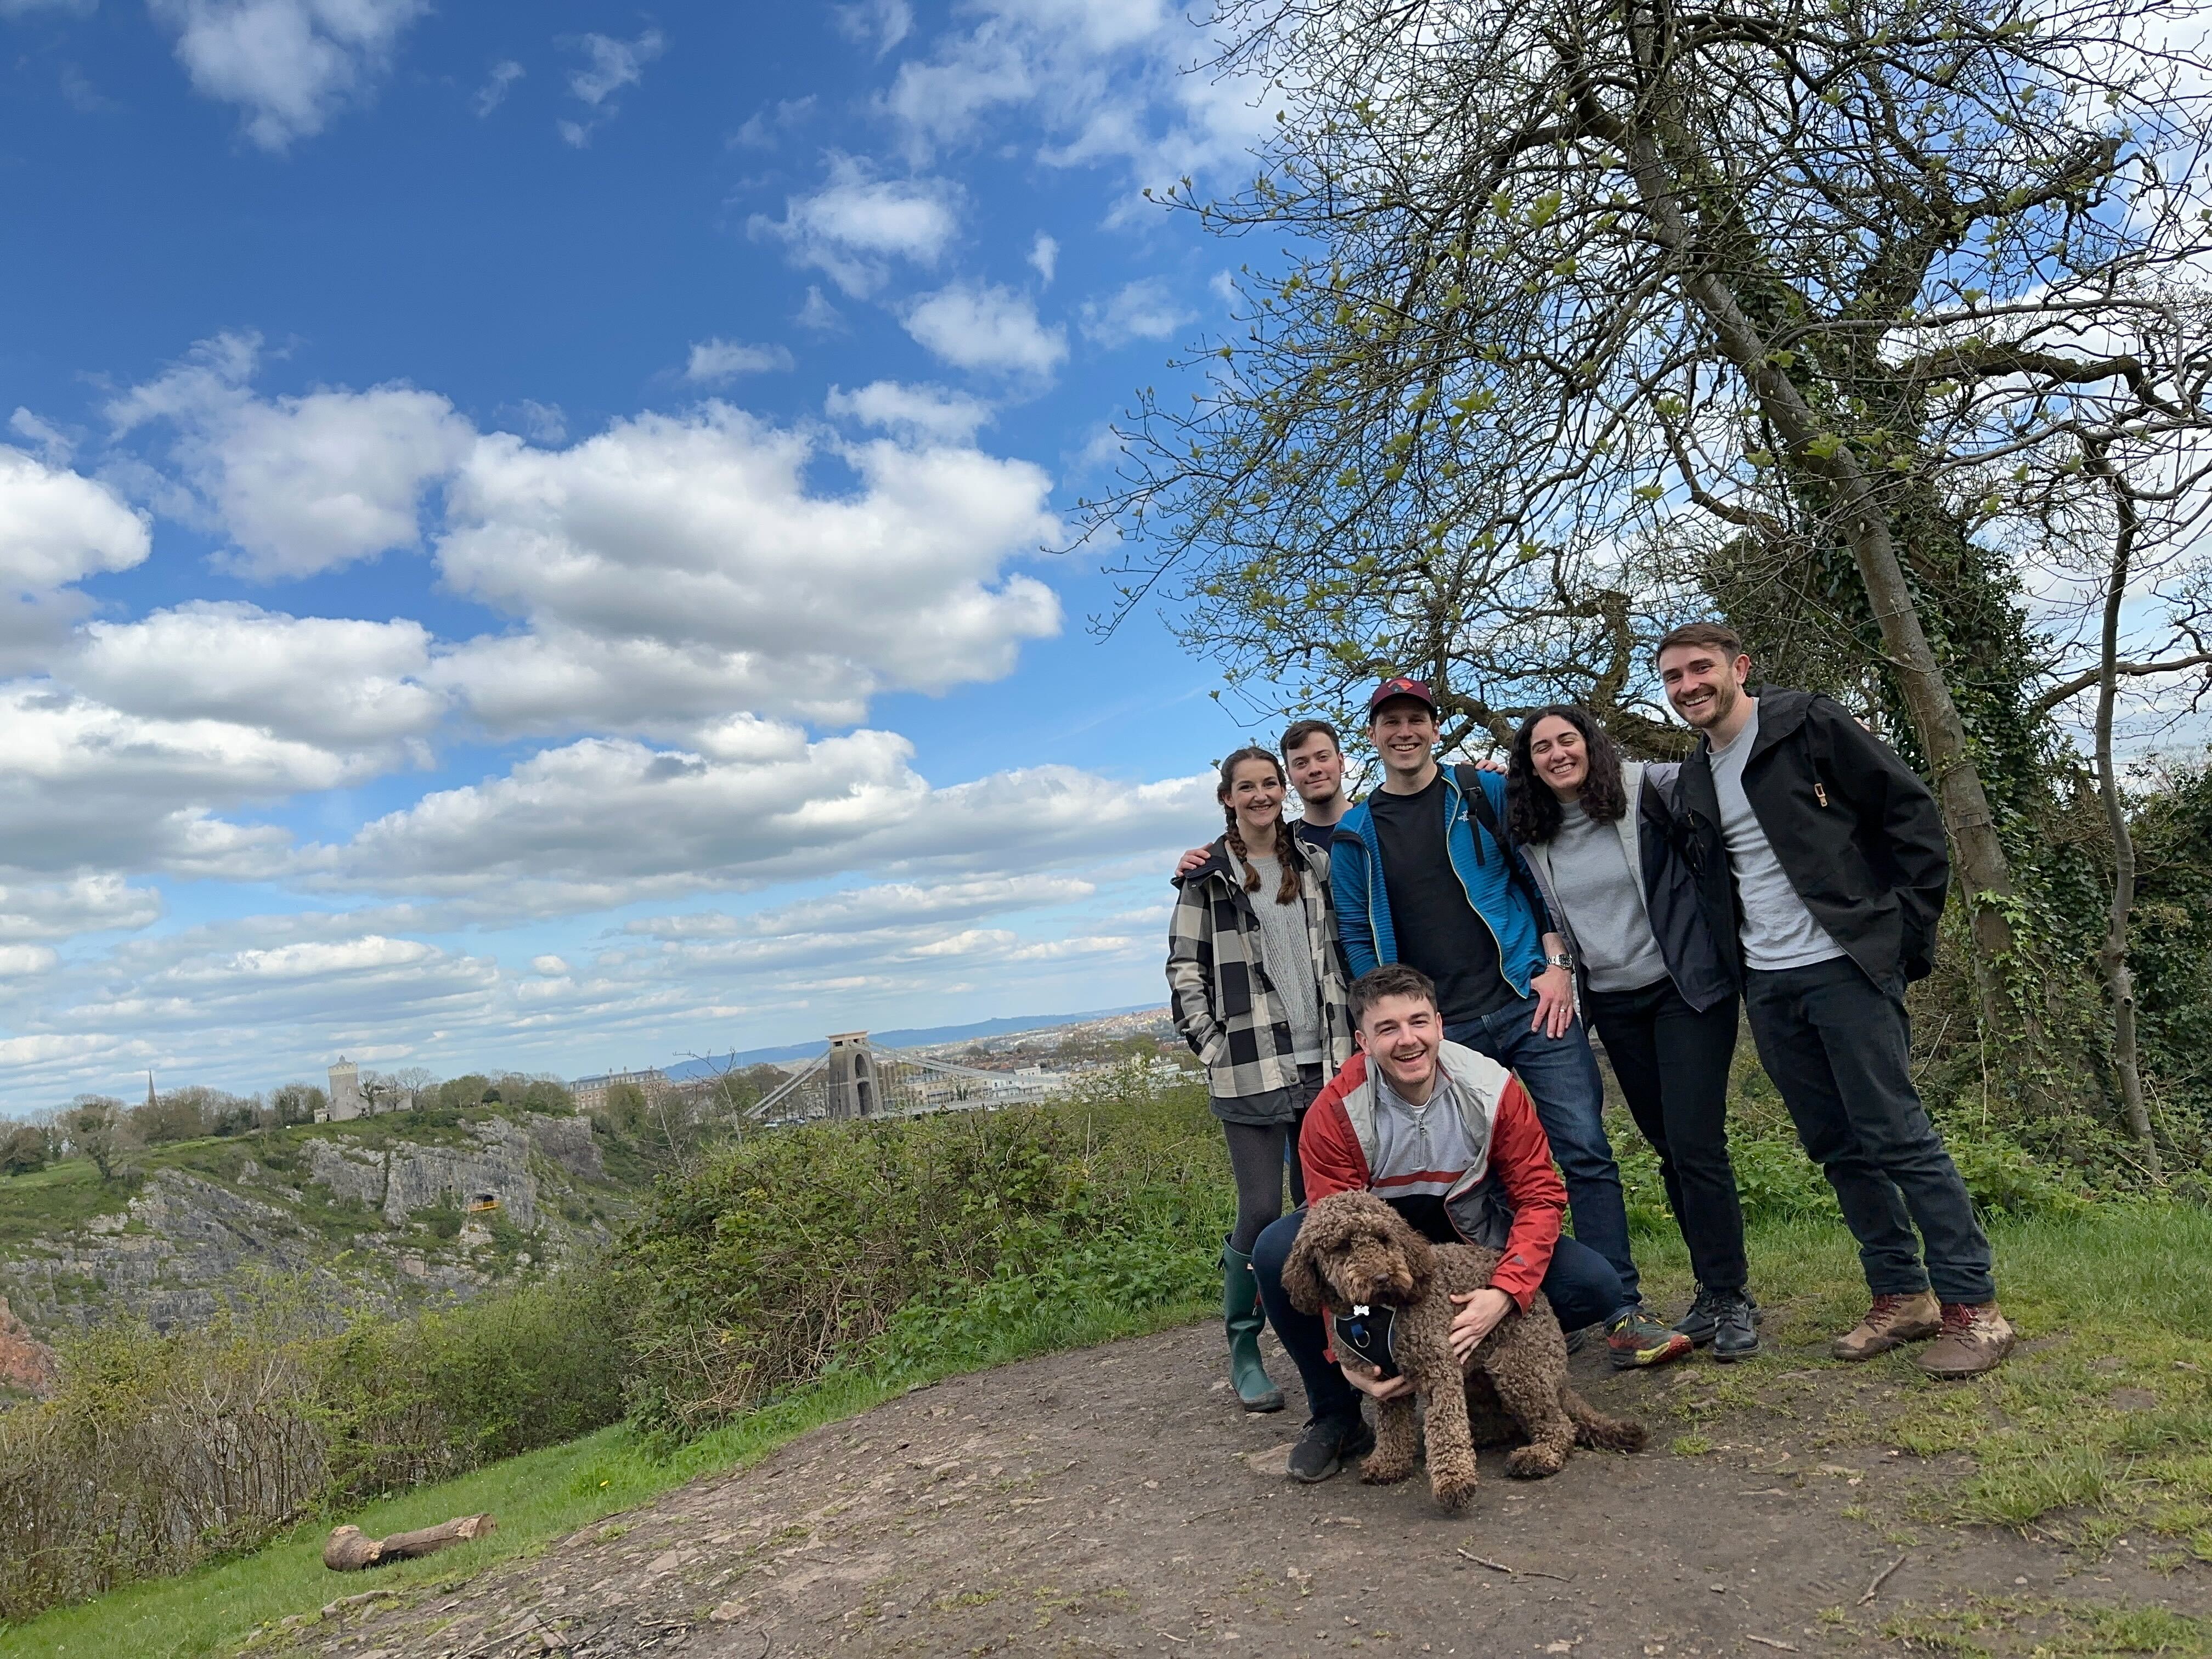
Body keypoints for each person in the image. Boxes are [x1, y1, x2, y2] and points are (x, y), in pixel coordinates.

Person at [1656, 622, 2013, 1379]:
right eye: (1674, 677)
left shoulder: (1807, 723)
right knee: (1835, 1145)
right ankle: (1901, 1294)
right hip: (1771, 983)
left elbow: (1911, 817)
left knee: (1899, 1134)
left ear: (1739, 666)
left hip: (1847, 965)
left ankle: (1974, 1308)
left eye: (1700, 669)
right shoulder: (1694, 779)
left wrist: (1899, 941)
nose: (1689, 686)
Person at [1329, 676, 1690, 1372]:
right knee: (1483, 1176)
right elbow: (1355, 927)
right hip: (1445, 1033)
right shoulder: (1357, 833)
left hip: (1530, 1004)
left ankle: (1621, 1309)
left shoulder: (1480, 793)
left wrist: (1558, 959)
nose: (1404, 731)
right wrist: (1376, 1016)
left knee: (1583, 1149)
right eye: (1389, 722)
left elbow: (1539, 871)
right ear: (1373, 737)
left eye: (1416, 719)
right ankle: (1524, 1303)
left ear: (1434, 728)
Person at [1251, 962, 1633, 1481]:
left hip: (1473, 1243)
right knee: (1278, 1250)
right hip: (1379, 1249)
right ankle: (1338, 1414)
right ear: (1363, 1040)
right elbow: (1329, 1241)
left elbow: (1540, 1195)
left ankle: (1495, 1372)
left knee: (1595, 1284)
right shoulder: (1335, 1112)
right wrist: (1351, 1352)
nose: (1408, 1041)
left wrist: (1504, 1292)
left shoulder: (1491, 1089)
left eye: (1419, 1022)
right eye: (1388, 1029)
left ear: (1440, 1024)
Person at [1507, 705, 1758, 1360]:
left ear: (1592, 744)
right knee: (1669, 1147)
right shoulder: (1533, 834)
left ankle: (1730, 1295)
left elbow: (1723, 787)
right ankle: (1709, 1293)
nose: (1558, 754)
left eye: (1568, 740)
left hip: (1684, 989)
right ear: (1528, 763)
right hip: (1615, 1005)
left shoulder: (1647, 789)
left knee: (1698, 1143)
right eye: (1542, 748)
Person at [1167, 746, 1355, 1412]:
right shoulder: (1206, 878)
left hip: (1322, 1066)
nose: (1260, 795)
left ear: (1283, 790)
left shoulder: (1314, 864)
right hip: (1247, 1070)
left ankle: (1329, 1341)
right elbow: (1184, 968)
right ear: (1227, 797)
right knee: (1262, 1211)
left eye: (1269, 784)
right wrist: (1212, 1046)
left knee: (1318, 1213)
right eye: (1245, 787)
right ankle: (1244, 1343)